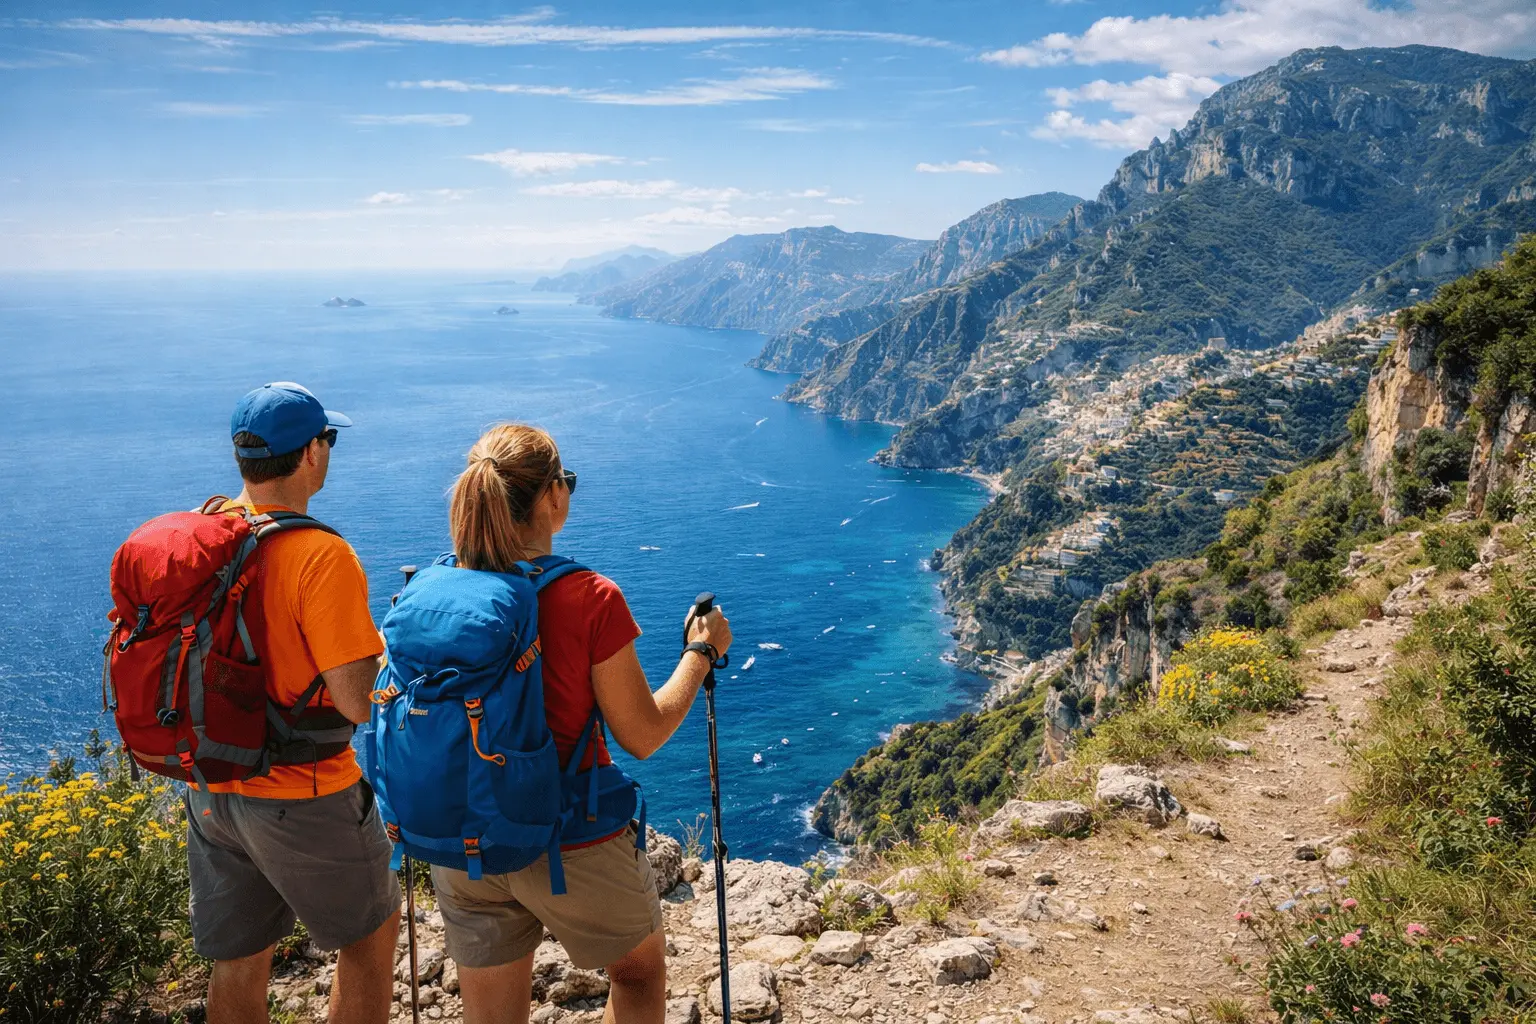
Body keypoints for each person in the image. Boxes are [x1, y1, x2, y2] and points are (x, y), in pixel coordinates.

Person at [432, 423, 732, 1024]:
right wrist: (700, 655)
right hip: (568, 834)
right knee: (639, 973)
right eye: (565, 480)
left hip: (461, 837)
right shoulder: (591, 597)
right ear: (552, 497)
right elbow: (642, 735)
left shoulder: (441, 589)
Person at [187, 382, 401, 1024]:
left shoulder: (209, 527)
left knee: (242, 956)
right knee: (371, 937)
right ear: (311, 452)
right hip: (301, 791)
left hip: (212, 784)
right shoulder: (320, 554)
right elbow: (357, 703)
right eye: (327, 440)